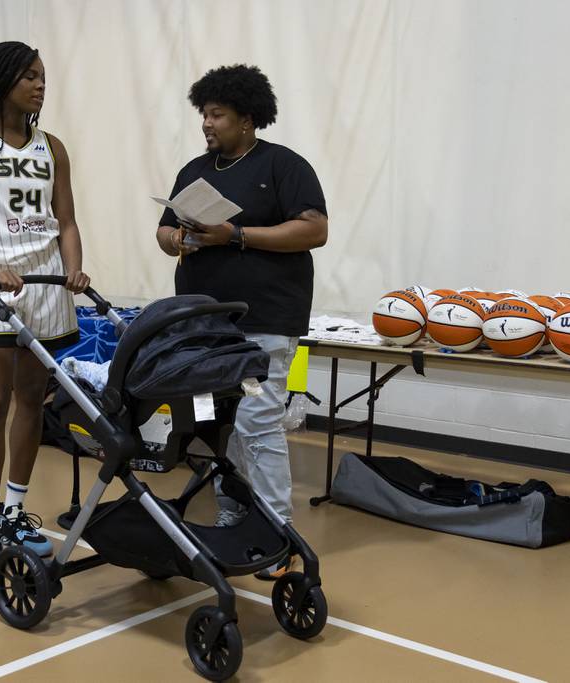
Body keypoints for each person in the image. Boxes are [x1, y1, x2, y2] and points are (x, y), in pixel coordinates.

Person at [156, 64, 328, 580]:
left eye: (218, 114)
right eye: (203, 114)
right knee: (218, 422)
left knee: (257, 421)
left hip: (266, 321)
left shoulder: (283, 166)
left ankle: (280, 532)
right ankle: (233, 516)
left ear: (248, 119)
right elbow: (165, 232)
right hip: (205, 324)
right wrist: (178, 240)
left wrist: (235, 234)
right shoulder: (193, 171)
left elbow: (314, 230)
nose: (207, 124)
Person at [0, 41, 91, 589]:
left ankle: (14, 511)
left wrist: (75, 268)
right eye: (29, 76)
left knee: (32, 399)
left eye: (43, 77)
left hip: (46, 281)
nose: (39, 85)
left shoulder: (52, 147)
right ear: (3, 79)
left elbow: (67, 220)